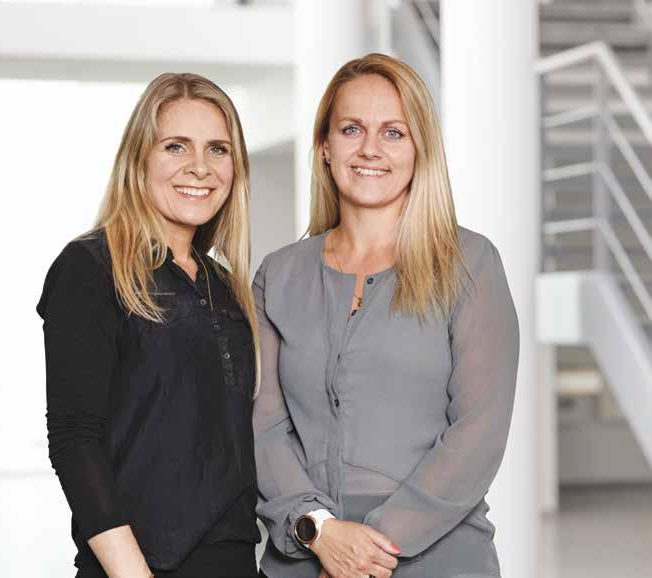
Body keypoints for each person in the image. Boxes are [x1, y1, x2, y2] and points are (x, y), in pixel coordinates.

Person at [253, 53, 519, 578]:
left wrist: (368, 550)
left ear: (419, 149)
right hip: (303, 557)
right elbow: (264, 426)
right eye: (351, 129)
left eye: (393, 132)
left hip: (437, 559)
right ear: (325, 146)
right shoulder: (278, 274)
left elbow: (479, 432)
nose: (370, 148)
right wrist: (322, 531)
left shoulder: (471, 263)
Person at [37, 72, 260, 578]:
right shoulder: (91, 268)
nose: (200, 167)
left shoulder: (225, 285)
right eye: (176, 146)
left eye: (218, 150)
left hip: (235, 561)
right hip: (136, 567)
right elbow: (74, 439)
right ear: (140, 158)